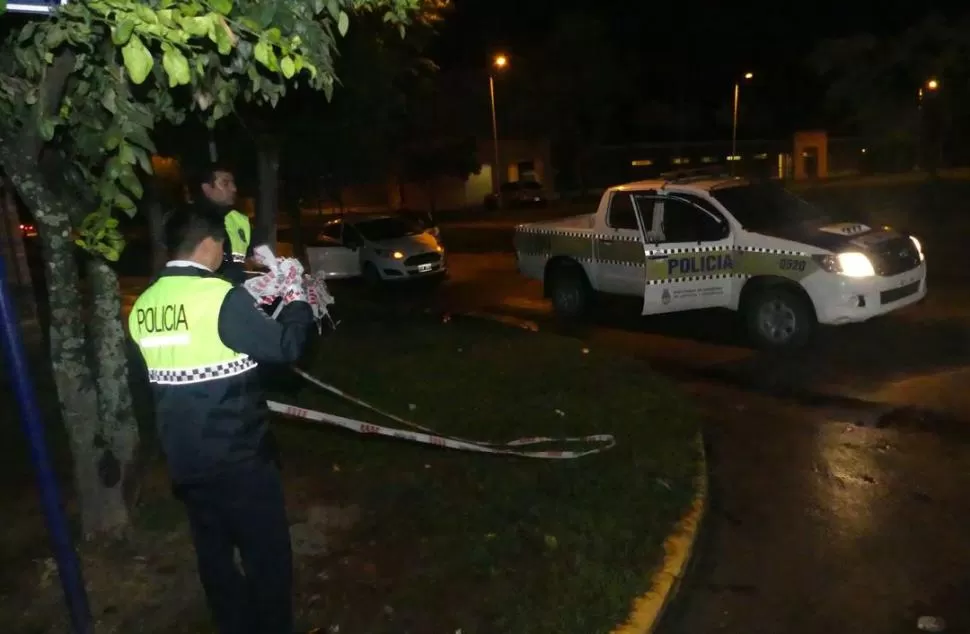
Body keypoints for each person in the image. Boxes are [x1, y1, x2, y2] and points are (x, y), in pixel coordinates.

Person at [128, 210, 315, 634]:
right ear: (209, 244)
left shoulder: (144, 305)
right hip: (240, 457)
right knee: (266, 559)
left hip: (185, 460)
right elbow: (286, 345)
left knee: (215, 558)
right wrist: (298, 299)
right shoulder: (217, 297)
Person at [188, 162, 252, 285]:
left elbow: (247, 259)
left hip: (237, 290)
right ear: (207, 188)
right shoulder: (189, 220)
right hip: (203, 291)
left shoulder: (239, 220)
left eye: (233, 183)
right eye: (225, 183)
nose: (234, 188)